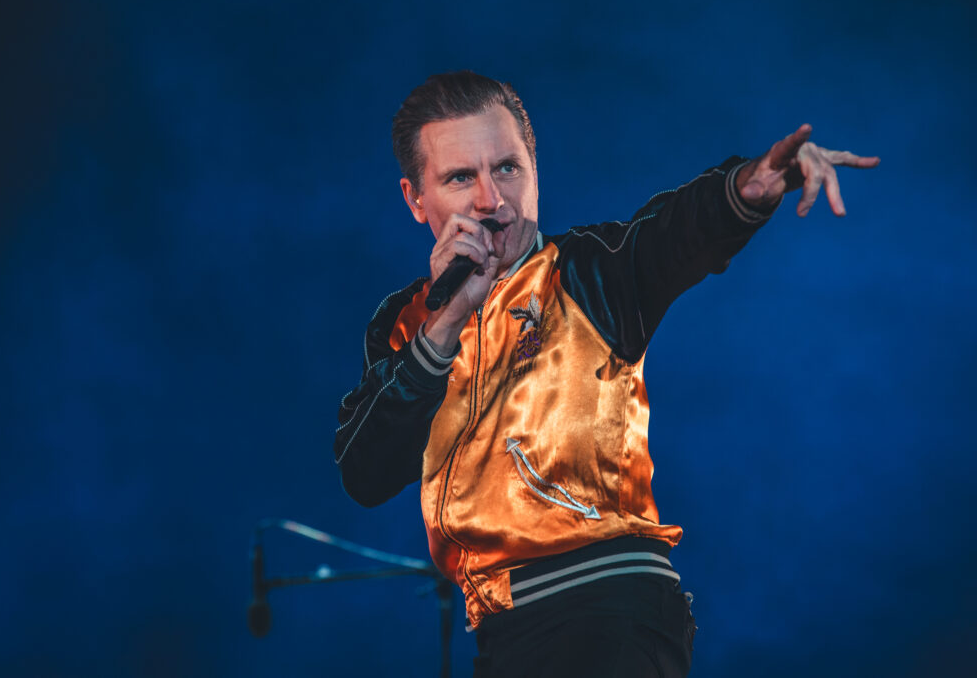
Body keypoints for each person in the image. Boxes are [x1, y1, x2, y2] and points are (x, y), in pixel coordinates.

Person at [333, 71, 878, 677]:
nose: (491, 199)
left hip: (608, 609)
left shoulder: (591, 272)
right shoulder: (405, 324)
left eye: (508, 168)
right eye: (462, 177)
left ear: (536, 171)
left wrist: (750, 185)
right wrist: (446, 320)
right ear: (416, 199)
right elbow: (366, 473)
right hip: (503, 632)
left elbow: (677, 231)